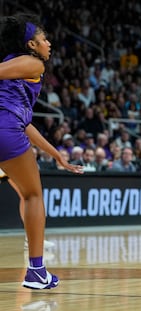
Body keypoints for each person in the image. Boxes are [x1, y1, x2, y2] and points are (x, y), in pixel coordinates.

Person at [0, 14, 83, 289]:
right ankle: (36, 271)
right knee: (34, 195)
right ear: (31, 44)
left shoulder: (13, 69)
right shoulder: (33, 63)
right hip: (5, 131)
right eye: (43, 38)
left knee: (27, 193)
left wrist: (57, 155)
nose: (49, 42)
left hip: (9, 128)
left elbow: (24, 123)